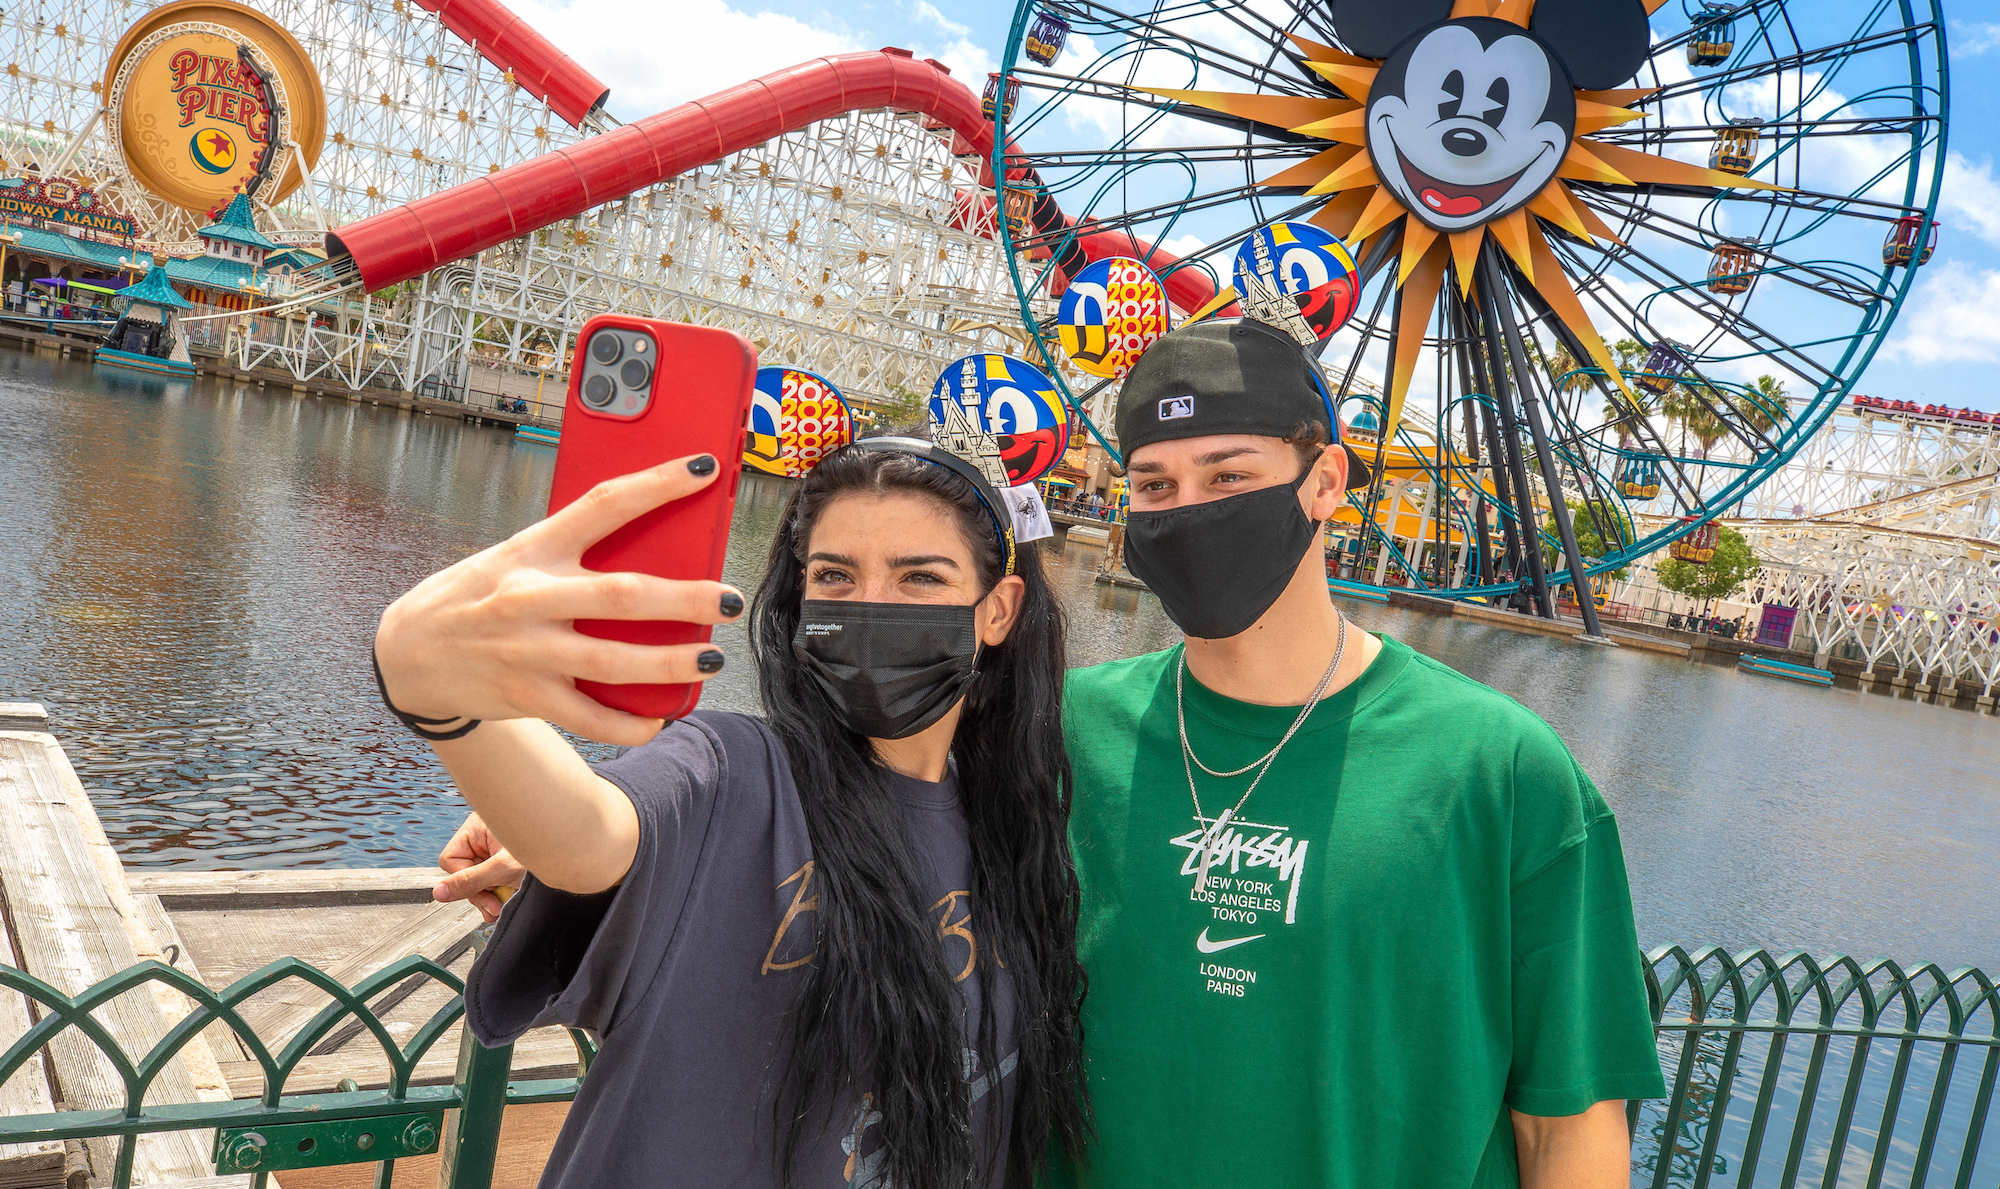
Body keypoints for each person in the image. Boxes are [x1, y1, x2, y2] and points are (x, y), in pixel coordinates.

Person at [1046, 319, 1664, 1187]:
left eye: (1229, 474)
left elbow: (1571, 1126)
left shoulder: (1503, 770)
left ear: (1325, 481)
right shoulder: (1064, 731)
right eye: (1155, 483)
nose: (1189, 510)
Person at [377, 438, 1089, 1187]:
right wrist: (440, 688)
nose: (872, 604)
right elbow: (592, 834)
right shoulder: (733, 770)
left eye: (920, 577)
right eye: (835, 576)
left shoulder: (1017, 833)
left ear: (998, 609)